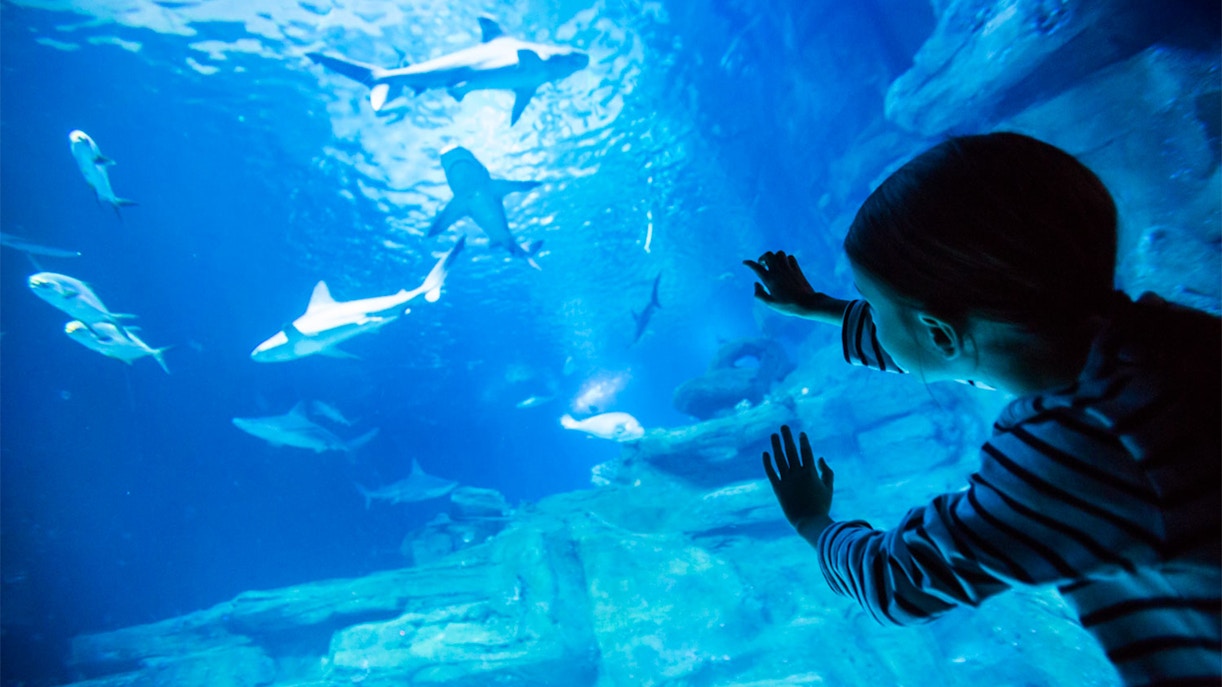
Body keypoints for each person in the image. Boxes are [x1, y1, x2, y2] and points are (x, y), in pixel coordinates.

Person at [744, 132, 1220, 687]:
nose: (870, 315)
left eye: (873, 303)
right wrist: (819, 307)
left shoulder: (1082, 442)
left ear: (941, 332)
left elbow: (898, 580)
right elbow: (954, 348)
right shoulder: (1157, 343)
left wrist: (812, 521)